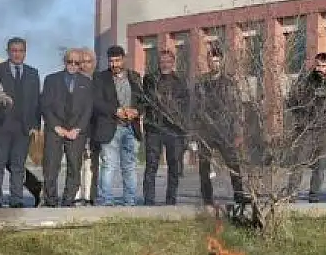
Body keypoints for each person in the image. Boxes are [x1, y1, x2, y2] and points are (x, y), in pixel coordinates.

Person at [0, 37, 43, 208]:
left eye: (21, 51)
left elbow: (36, 101)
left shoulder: (33, 73)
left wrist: (35, 127)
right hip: (1, 126)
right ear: (8, 51)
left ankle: (16, 200)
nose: (17, 54)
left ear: (25, 52)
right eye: (14, 50)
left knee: (18, 166)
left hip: (24, 128)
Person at [286, 52, 326, 203]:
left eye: (324, 66)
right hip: (306, 129)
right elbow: (292, 101)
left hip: (325, 130)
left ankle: (314, 196)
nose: (320, 69)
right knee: (298, 163)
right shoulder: (305, 81)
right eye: (318, 65)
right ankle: (291, 194)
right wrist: (302, 119)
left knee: (320, 165)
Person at [192, 46, 247, 205]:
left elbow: (237, 108)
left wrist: (238, 132)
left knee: (234, 165)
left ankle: (239, 195)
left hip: (225, 131)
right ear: (208, 62)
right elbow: (195, 109)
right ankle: (207, 199)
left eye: (217, 61)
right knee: (204, 167)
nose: (214, 64)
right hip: (205, 131)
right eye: (211, 61)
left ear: (221, 62)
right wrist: (194, 134)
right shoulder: (201, 83)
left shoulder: (230, 83)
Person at [92, 45, 145, 206]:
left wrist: (136, 111)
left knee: (129, 167)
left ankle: (129, 201)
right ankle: (107, 201)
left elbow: (143, 101)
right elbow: (96, 102)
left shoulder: (135, 77)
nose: (114, 64)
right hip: (110, 127)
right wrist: (116, 111)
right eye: (111, 61)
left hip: (131, 128)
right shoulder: (100, 77)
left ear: (124, 59)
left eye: (117, 60)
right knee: (108, 166)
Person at [40, 49, 93, 206]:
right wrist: (56, 126)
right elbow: (45, 105)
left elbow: (88, 109)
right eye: (70, 62)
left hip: (76, 132)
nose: (73, 65)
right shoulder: (51, 79)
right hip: (55, 130)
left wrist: (77, 129)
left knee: (74, 168)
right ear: (65, 61)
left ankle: (68, 200)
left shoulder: (87, 82)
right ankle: (50, 201)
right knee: (50, 168)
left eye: (77, 63)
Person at [141, 49, 189, 206]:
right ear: (158, 63)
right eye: (162, 61)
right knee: (151, 165)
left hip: (174, 129)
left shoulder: (180, 81)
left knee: (174, 165)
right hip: (154, 128)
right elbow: (149, 100)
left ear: (173, 62)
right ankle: (149, 200)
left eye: (168, 61)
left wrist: (184, 128)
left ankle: (171, 200)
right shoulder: (150, 79)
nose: (165, 64)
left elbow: (185, 106)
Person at [78, 48, 99, 206]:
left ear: (94, 63)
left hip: (96, 127)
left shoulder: (99, 80)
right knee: (77, 161)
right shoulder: (74, 80)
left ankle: (91, 195)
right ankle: (78, 194)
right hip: (78, 127)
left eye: (88, 61)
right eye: (82, 62)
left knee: (92, 162)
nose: (85, 65)